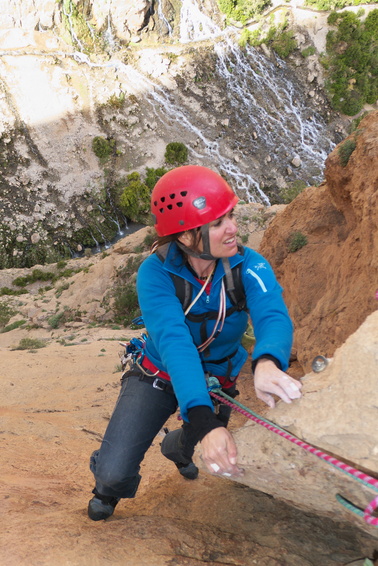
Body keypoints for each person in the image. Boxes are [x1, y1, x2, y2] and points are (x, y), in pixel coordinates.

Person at [88, 165, 302, 521]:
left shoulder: (248, 266)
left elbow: (272, 316)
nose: (233, 228)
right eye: (218, 223)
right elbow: (175, 344)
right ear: (186, 236)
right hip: (158, 372)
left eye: (230, 215)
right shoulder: (155, 273)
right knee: (114, 471)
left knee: (196, 441)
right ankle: (109, 488)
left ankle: (177, 447)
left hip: (218, 377)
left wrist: (266, 362)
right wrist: (205, 422)